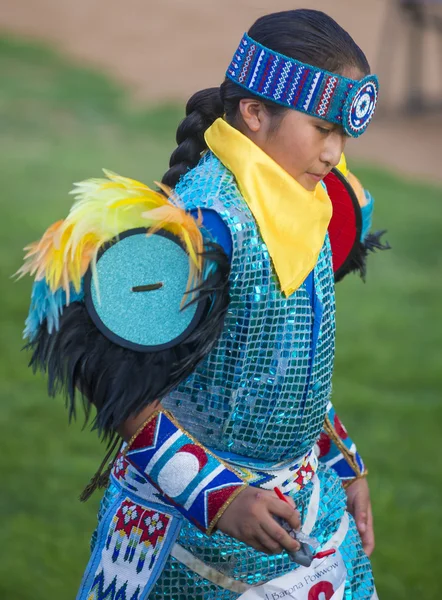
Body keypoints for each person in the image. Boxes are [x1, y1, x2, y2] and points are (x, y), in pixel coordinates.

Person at [19, 9, 385, 599]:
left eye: (343, 135)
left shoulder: (311, 200)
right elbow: (122, 394)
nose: (334, 154)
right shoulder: (203, 225)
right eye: (322, 129)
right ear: (256, 112)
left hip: (307, 512)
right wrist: (219, 499)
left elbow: (286, 363)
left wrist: (346, 466)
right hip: (192, 536)